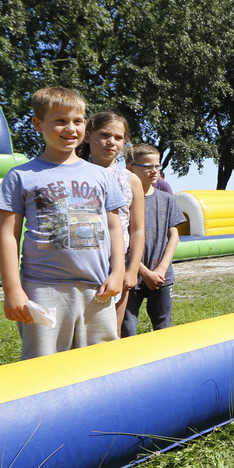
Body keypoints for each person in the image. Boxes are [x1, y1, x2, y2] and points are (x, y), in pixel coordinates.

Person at [0, 87, 126, 359]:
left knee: (101, 361)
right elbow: (8, 236)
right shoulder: (20, 176)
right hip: (43, 288)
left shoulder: (101, 176)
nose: (71, 128)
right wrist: (12, 289)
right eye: (61, 121)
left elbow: (115, 227)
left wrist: (118, 272)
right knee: (43, 363)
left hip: (97, 288)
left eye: (78, 121)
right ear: (38, 124)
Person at [81, 112, 145, 331]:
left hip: (116, 264)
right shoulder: (71, 174)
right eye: (104, 135)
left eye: (118, 137)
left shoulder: (131, 180)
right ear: (87, 136)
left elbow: (137, 229)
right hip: (81, 263)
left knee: (111, 332)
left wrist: (132, 270)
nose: (111, 142)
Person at [121, 144, 185, 337]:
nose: (155, 171)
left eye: (158, 166)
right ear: (130, 169)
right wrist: (143, 272)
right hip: (130, 275)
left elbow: (174, 235)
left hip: (161, 277)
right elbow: (121, 240)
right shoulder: (122, 201)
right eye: (148, 166)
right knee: (127, 328)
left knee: (163, 326)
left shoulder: (167, 199)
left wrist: (161, 269)